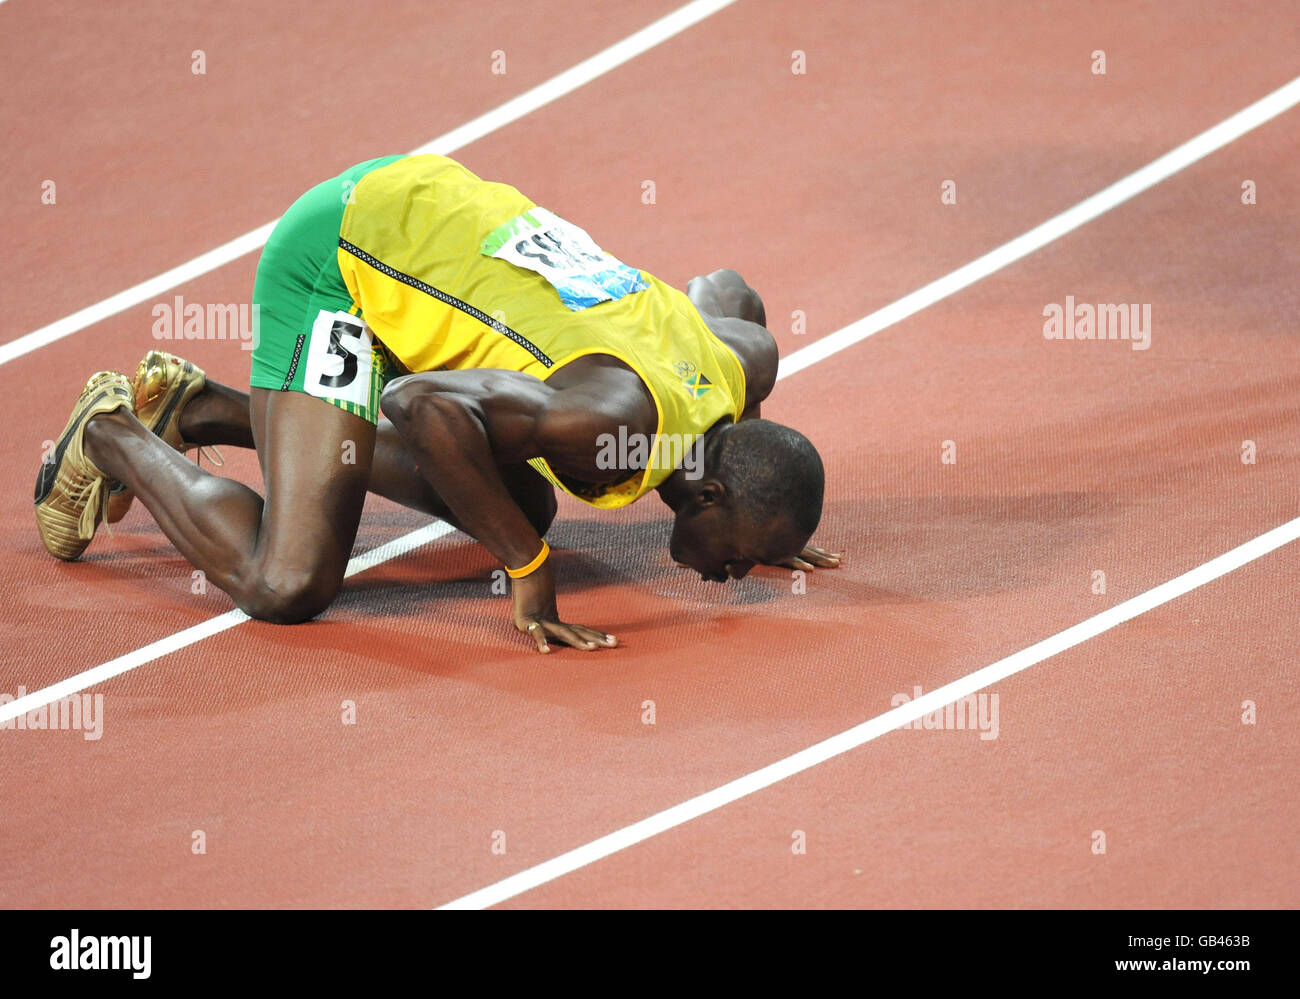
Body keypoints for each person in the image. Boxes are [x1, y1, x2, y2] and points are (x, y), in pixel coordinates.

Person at [35, 155, 838, 652]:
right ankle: (110, 431)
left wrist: (769, 504)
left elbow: (730, 290)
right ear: (709, 490)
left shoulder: (739, 366)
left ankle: (202, 407)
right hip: (343, 259)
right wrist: (526, 569)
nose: (734, 572)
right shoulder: (609, 426)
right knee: (289, 581)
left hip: (442, 212)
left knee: (520, 496)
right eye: (740, 552)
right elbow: (426, 405)